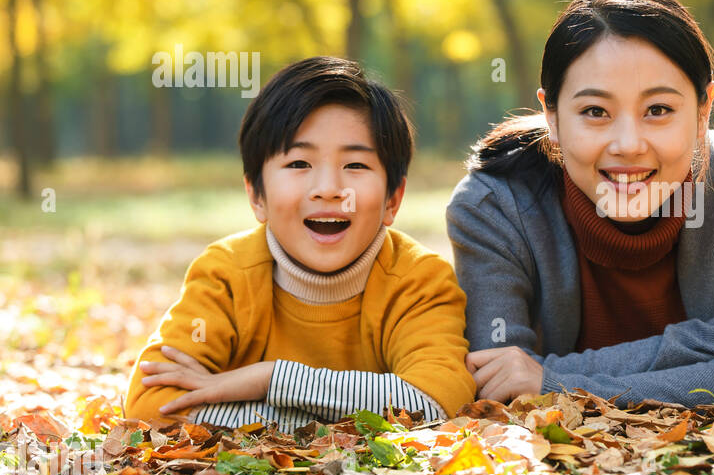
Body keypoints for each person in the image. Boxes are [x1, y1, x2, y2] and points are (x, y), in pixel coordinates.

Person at [446, 0, 714, 407]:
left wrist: (553, 382)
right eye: (595, 111)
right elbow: (501, 383)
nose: (628, 145)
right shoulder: (494, 208)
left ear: (703, 111)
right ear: (552, 117)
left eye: (658, 110)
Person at [123, 56, 476, 429]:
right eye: (298, 164)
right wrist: (310, 421)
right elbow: (152, 403)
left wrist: (271, 379)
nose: (328, 189)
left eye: (355, 165)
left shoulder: (420, 281)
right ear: (256, 195)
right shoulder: (226, 275)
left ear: (393, 198)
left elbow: (436, 401)